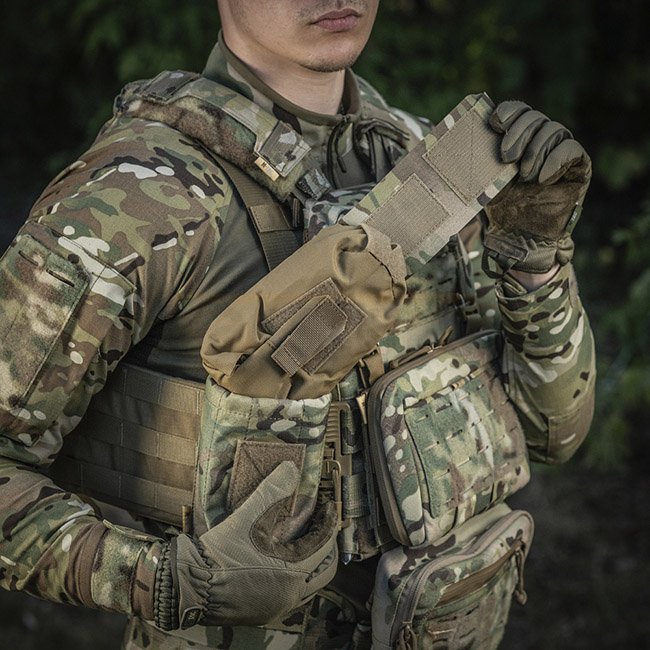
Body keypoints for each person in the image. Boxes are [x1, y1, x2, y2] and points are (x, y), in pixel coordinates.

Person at [0, 1, 595, 648]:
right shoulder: (137, 199)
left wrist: (535, 263)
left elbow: (551, 432)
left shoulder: (436, 164)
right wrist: (166, 582)